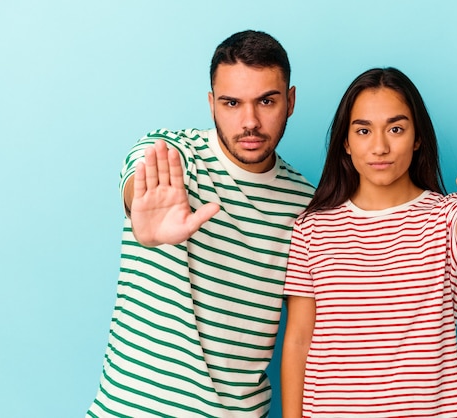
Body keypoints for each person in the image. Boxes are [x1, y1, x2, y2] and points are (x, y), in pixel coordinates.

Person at [86, 30, 315, 418]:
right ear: (211, 103)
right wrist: (139, 206)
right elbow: (138, 178)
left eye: (267, 101)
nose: (250, 122)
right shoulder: (172, 155)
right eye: (231, 103)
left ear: (290, 101)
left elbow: (306, 337)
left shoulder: (307, 204)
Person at [281, 67, 457, 417]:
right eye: (363, 130)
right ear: (346, 142)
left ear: (417, 136)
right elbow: (299, 339)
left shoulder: (446, 216)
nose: (380, 147)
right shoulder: (312, 229)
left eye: (396, 128)